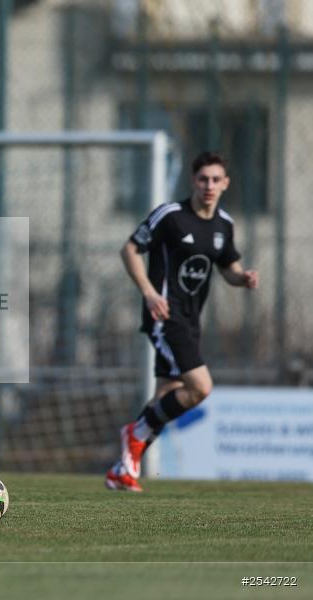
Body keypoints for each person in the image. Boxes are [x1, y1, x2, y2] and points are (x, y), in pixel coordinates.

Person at [105, 151, 259, 492]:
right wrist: (147, 291)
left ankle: (122, 469)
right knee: (200, 387)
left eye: (216, 179)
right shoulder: (170, 216)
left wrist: (242, 277)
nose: (209, 185)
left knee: (167, 393)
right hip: (165, 315)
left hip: (191, 320)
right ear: (193, 180)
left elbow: (228, 268)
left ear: (226, 184)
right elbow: (129, 249)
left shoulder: (224, 224)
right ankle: (134, 435)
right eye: (203, 179)